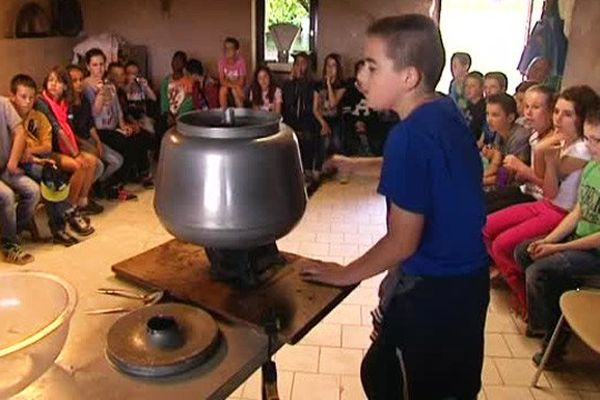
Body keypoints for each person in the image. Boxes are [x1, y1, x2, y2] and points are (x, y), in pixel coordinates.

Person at [301, 15, 489, 399]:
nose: (361, 77)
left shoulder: (406, 137)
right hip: (470, 284)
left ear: (408, 77)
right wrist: (357, 165)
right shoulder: (443, 110)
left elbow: (403, 242)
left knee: (388, 379)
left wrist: (345, 273)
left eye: (372, 67)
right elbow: (429, 168)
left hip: (433, 290)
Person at [484, 85, 599, 318]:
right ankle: (517, 289)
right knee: (484, 226)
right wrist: (545, 151)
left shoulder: (583, 150)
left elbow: (549, 190)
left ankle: (525, 301)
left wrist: (545, 152)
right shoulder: (564, 142)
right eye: (556, 111)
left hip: (559, 212)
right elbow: (547, 188)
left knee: (502, 245)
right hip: (546, 204)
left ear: (581, 117)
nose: (558, 118)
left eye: (567, 114)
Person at [515, 105, 600, 364]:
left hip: (595, 250)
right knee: (525, 251)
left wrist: (556, 249)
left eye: (598, 141)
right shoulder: (592, 167)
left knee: (540, 271)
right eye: (588, 139)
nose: (592, 147)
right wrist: (548, 240)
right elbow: (578, 211)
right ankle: (551, 322)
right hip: (578, 240)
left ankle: (555, 338)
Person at [9, 73, 79, 246]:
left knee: (50, 173)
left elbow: (46, 146)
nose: (27, 101)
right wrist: (21, 155)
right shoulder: (6, 115)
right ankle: (66, 215)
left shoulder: (39, 117)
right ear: (13, 96)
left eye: (31, 98)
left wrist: (28, 152)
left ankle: (59, 227)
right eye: (23, 97)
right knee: (47, 176)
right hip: (13, 163)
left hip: (34, 160)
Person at [37, 67, 98, 235]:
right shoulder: (42, 102)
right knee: (78, 165)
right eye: (50, 80)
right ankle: (69, 211)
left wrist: (79, 149)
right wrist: (76, 154)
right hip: (48, 149)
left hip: (63, 147)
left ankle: (80, 203)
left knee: (91, 161)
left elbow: (69, 128)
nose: (53, 85)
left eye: (58, 81)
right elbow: (58, 130)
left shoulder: (65, 103)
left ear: (65, 86)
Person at [485, 85, 556, 214]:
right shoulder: (534, 136)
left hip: (537, 198)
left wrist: (520, 168)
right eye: (527, 106)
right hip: (526, 189)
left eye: (535, 107)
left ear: (551, 111)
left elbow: (510, 177)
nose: (528, 113)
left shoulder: (525, 137)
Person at [67, 64, 124, 196]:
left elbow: (90, 124)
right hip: (76, 143)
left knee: (117, 160)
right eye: (74, 81)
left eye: (81, 80)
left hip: (89, 138)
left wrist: (97, 141)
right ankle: (82, 195)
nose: (79, 83)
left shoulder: (84, 100)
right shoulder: (67, 104)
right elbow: (69, 132)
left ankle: (96, 186)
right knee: (98, 164)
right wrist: (88, 146)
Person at [0, 94, 39, 263]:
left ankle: (13, 230)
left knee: (33, 191)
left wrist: (12, 162)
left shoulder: (3, 104)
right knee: (7, 195)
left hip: (4, 166)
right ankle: (9, 243)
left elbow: (20, 131)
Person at [282, 52, 318, 181]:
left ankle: (307, 170)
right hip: (291, 119)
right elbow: (288, 103)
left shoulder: (313, 84)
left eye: (303, 63)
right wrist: (292, 81)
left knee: (307, 134)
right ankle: (292, 170)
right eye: (297, 64)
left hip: (307, 118)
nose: (299, 67)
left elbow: (311, 105)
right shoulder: (288, 84)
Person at [481, 93, 531, 188]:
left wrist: (480, 181)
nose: (489, 119)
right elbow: (496, 159)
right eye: (487, 114)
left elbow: (508, 176)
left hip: (520, 187)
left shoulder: (520, 137)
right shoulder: (499, 131)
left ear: (510, 118)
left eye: (495, 115)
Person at [313, 53, 347, 158]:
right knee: (324, 141)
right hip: (321, 118)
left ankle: (338, 168)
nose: (330, 69)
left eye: (333, 65)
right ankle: (320, 168)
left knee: (336, 142)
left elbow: (332, 103)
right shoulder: (318, 85)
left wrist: (328, 84)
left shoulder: (342, 85)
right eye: (328, 65)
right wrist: (323, 123)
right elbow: (315, 109)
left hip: (336, 119)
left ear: (338, 68)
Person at [124, 61, 157, 133]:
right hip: (129, 118)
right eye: (130, 73)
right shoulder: (124, 86)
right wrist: (130, 83)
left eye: (135, 73)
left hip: (142, 116)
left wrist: (146, 86)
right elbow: (124, 93)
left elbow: (154, 98)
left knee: (149, 128)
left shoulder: (141, 86)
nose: (133, 76)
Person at [218, 37, 247, 108]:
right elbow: (222, 81)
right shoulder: (221, 62)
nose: (227, 51)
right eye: (225, 48)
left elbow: (241, 82)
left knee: (235, 91)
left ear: (236, 51)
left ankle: (240, 113)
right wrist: (236, 86)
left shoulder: (241, 62)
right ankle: (224, 113)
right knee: (222, 90)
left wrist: (236, 87)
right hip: (230, 85)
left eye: (230, 48)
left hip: (241, 87)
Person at [463, 71, 486, 141]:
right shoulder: (466, 107)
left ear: (482, 88)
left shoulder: (485, 107)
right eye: (466, 86)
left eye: (472, 86)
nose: (468, 89)